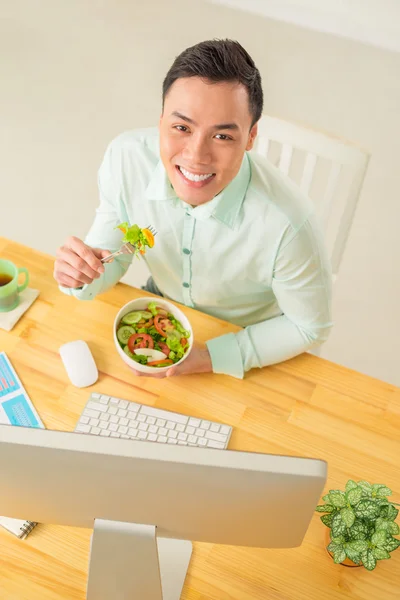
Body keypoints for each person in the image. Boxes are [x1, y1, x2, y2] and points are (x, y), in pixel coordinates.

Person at [54, 39, 332, 379]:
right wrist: (81, 274)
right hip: (160, 312)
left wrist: (212, 357)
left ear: (250, 137)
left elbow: (309, 327)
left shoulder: (289, 225)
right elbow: (115, 254)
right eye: (182, 128)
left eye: (222, 137)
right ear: (160, 122)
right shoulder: (125, 159)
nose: (196, 156)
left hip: (249, 338)